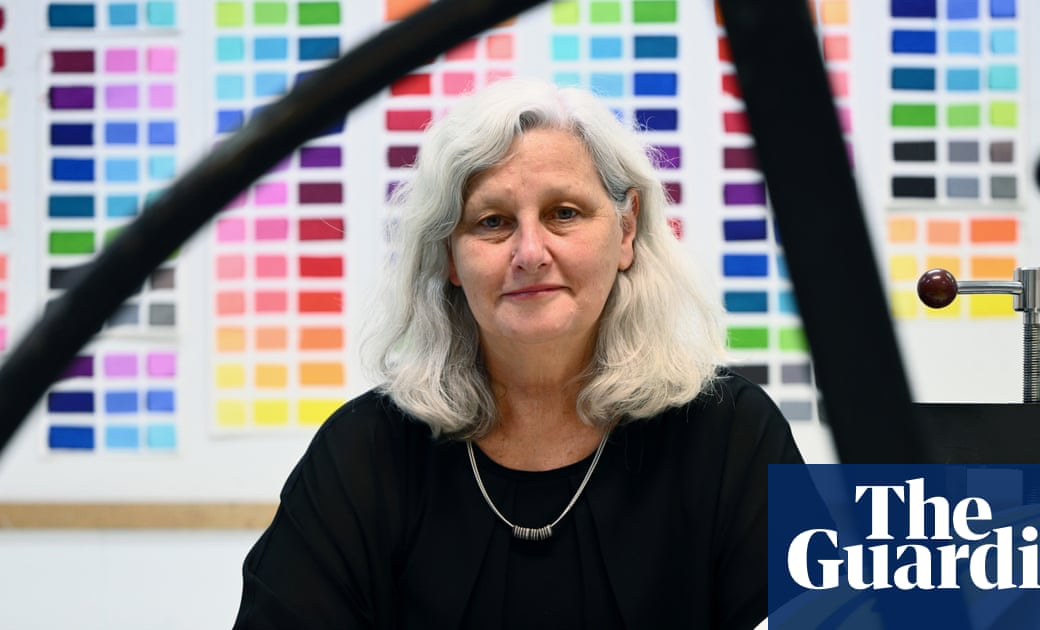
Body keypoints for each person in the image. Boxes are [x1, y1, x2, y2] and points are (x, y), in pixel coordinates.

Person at [234, 77, 803, 629]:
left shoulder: (737, 433)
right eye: (493, 222)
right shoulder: (362, 451)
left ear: (626, 230)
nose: (530, 253)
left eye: (564, 213)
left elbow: (837, 618)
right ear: (450, 257)